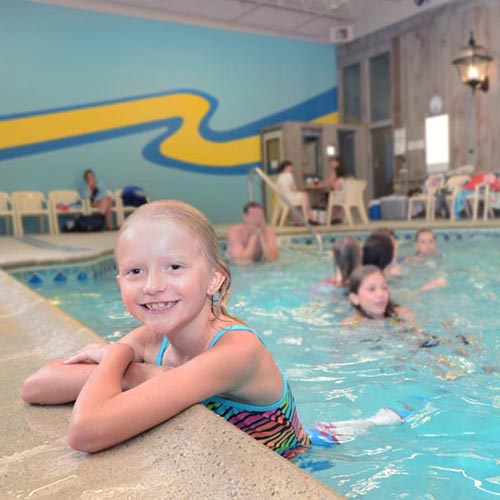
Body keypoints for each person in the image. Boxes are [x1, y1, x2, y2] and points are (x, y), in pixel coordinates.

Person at [21, 200, 309, 457]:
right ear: (120, 282)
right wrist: (136, 367)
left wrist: (116, 359)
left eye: (174, 267)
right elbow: (36, 386)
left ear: (213, 280)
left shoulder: (237, 351)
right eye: (136, 271)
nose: (152, 286)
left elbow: (86, 431)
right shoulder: (153, 340)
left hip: (300, 470)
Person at [341, 265, 415, 325]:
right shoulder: (351, 325)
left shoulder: (402, 315)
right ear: (355, 298)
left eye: (384, 287)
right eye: (371, 289)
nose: (381, 294)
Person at [276, 160, 317, 224]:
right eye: (291, 167)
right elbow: (293, 189)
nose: (292, 168)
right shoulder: (289, 175)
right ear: (287, 167)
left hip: (281, 199)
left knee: (301, 199)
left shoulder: (280, 176)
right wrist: (299, 191)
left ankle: (298, 220)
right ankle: (310, 217)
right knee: (305, 195)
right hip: (288, 198)